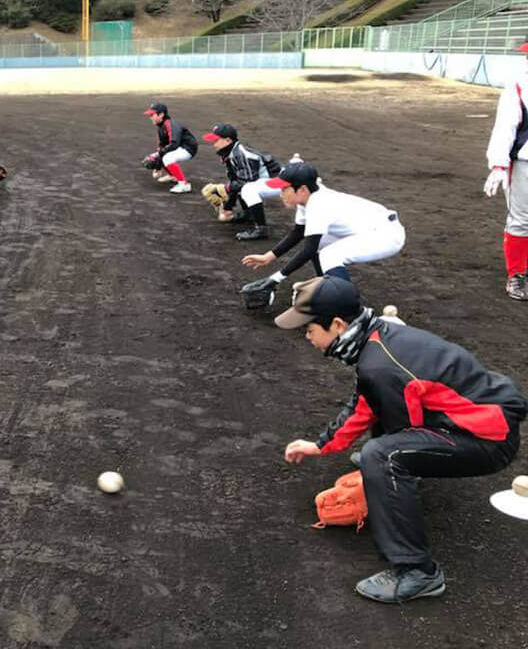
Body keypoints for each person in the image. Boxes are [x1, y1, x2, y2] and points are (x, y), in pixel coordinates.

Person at [278, 275, 524, 603]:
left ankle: (418, 572)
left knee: (382, 457)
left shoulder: (379, 365)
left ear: (337, 325)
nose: (306, 336)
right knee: (380, 449)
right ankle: (398, 482)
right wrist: (323, 444)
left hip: (489, 439)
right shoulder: (378, 337)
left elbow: (400, 433)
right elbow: (366, 401)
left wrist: (377, 481)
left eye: (309, 329)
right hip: (478, 419)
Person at [241, 162, 405, 300]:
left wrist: (275, 279)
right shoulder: (308, 198)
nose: (281, 194)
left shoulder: (319, 204)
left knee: (330, 254)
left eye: (284, 189)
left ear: (302, 190)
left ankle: (346, 306)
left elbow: (308, 250)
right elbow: (298, 232)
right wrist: (268, 257)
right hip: (370, 229)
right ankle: (328, 288)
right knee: (321, 243)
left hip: (386, 235)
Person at [484, 39, 528, 301]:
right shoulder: (519, 83)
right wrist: (499, 163)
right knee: (522, 220)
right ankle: (517, 275)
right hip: (525, 161)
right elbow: (506, 126)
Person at [202, 123, 284, 240]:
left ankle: (261, 229)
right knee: (240, 185)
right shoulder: (229, 154)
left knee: (248, 189)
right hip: (268, 181)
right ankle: (248, 214)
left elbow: (247, 182)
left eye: (216, 140)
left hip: (282, 182)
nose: (213, 143)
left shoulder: (241, 155)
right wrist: (228, 207)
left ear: (227, 140)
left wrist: (225, 189)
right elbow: (235, 180)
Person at [143, 101, 198, 194]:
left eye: (152, 115)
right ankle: (173, 176)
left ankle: (184, 184)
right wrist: (158, 166)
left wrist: (159, 154)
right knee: (162, 154)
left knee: (167, 157)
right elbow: (162, 146)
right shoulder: (160, 127)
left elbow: (174, 143)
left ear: (161, 115)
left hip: (188, 148)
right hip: (179, 147)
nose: (150, 117)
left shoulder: (171, 125)